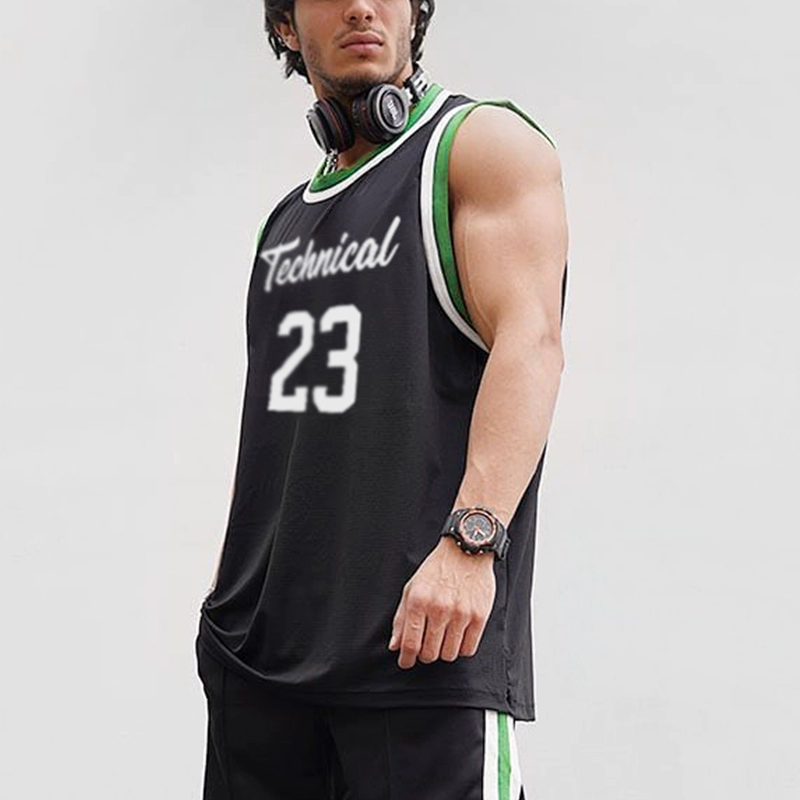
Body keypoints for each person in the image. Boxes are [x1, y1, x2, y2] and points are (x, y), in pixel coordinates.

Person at [194, 1, 569, 798]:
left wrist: (472, 545)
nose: (362, 6)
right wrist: (227, 604)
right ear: (286, 26)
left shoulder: (478, 148)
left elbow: (531, 343)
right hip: (258, 665)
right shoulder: (283, 225)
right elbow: (279, 435)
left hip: (419, 644)